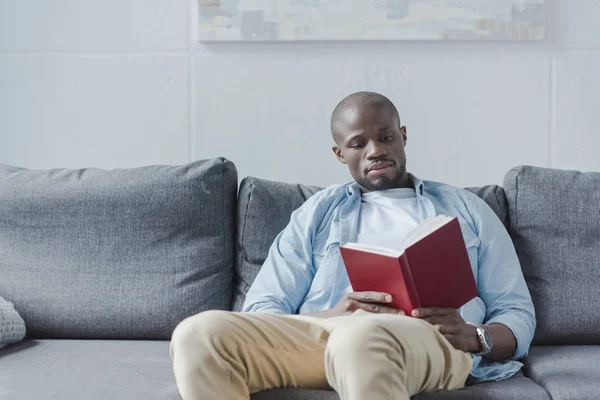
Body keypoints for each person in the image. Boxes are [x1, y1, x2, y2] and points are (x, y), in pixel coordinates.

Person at [170, 91, 536, 400]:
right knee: (198, 334)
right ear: (339, 154)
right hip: (325, 338)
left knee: (363, 337)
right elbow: (263, 307)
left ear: (403, 136)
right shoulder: (316, 213)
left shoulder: (467, 209)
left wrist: (475, 336)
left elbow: (516, 313)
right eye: (358, 144)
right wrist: (332, 316)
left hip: (434, 342)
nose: (375, 150)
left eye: (386, 137)